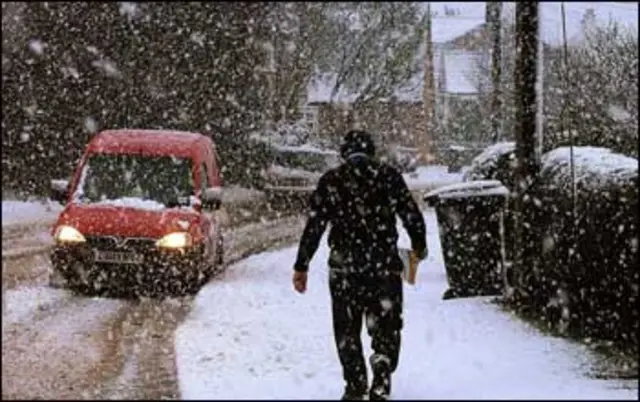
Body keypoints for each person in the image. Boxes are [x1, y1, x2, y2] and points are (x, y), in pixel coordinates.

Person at [291, 130, 427, 400]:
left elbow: (315, 225)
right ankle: (383, 362)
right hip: (384, 265)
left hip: (345, 268)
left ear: (344, 153)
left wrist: (302, 265)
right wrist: (419, 246)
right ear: (372, 151)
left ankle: (355, 383)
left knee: (346, 328)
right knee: (387, 323)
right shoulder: (388, 177)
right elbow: (410, 214)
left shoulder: (332, 181)